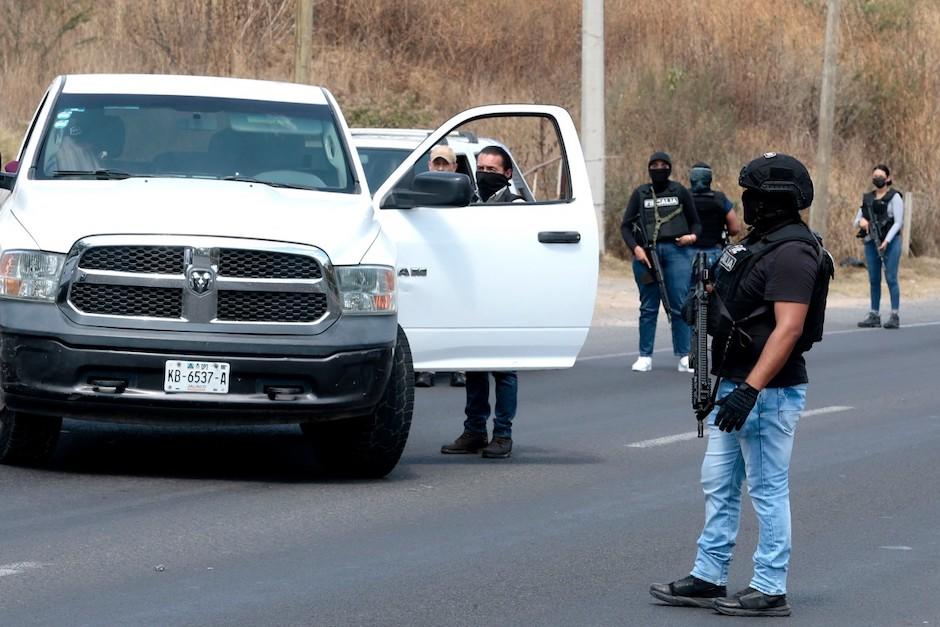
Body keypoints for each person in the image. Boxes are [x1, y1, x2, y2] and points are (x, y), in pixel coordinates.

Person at [650, 152, 832, 617]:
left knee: (767, 489)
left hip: (766, 393)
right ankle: (709, 576)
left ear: (774, 200)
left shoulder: (793, 252)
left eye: (752, 194)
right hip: (732, 385)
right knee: (718, 484)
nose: (745, 202)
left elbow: (789, 328)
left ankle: (770, 587)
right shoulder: (759, 245)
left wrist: (750, 390)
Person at [439, 145, 522, 459]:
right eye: (481, 169)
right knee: (474, 366)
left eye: (492, 170)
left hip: (503, 298)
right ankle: (475, 431)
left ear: (507, 174)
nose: (485, 175)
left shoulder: (518, 207)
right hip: (473, 297)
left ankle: (502, 434)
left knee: (503, 369)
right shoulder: (469, 204)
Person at [620, 151, 701, 373]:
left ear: (669, 167)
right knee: (648, 307)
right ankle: (644, 356)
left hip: (677, 252)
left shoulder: (680, 192)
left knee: (679, 304)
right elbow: (625, 226)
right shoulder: (641, 193)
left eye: (662, 164)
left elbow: (696, 223)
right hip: (646, 255)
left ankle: (685, 355)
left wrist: (691, 238)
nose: (658, 168)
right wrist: (636, 249)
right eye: (654, 165)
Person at [415, 145, 467, 388]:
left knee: (460, 314)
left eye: (445, 163)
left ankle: (460, 367)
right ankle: (426, 369)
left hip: (458, 265)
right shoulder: (419, 193)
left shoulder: (464, 195)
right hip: (429, 262)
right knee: (428, 313)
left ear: (455, 167)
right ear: (429, 165)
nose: (441, 168)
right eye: (437, 163)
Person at [854, 164, 903, 329]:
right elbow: (857, 220)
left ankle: (894, 314)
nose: (878, 179)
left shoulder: (894, 197)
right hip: (871, 242)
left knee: (891, 278)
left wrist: (886, 241)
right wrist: (861, 222)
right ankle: (874, 314)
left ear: (888, 178)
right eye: (875, 176)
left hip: (891, 242)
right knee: (874, 279)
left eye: (881, 176)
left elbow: (898, 222)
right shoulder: (868, 198)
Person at [689, 162, 741, 267]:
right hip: (714, 252)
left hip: (687, 253)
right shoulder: (719, 198)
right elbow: (734, 229)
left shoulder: (684, 197)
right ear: (709, 179)